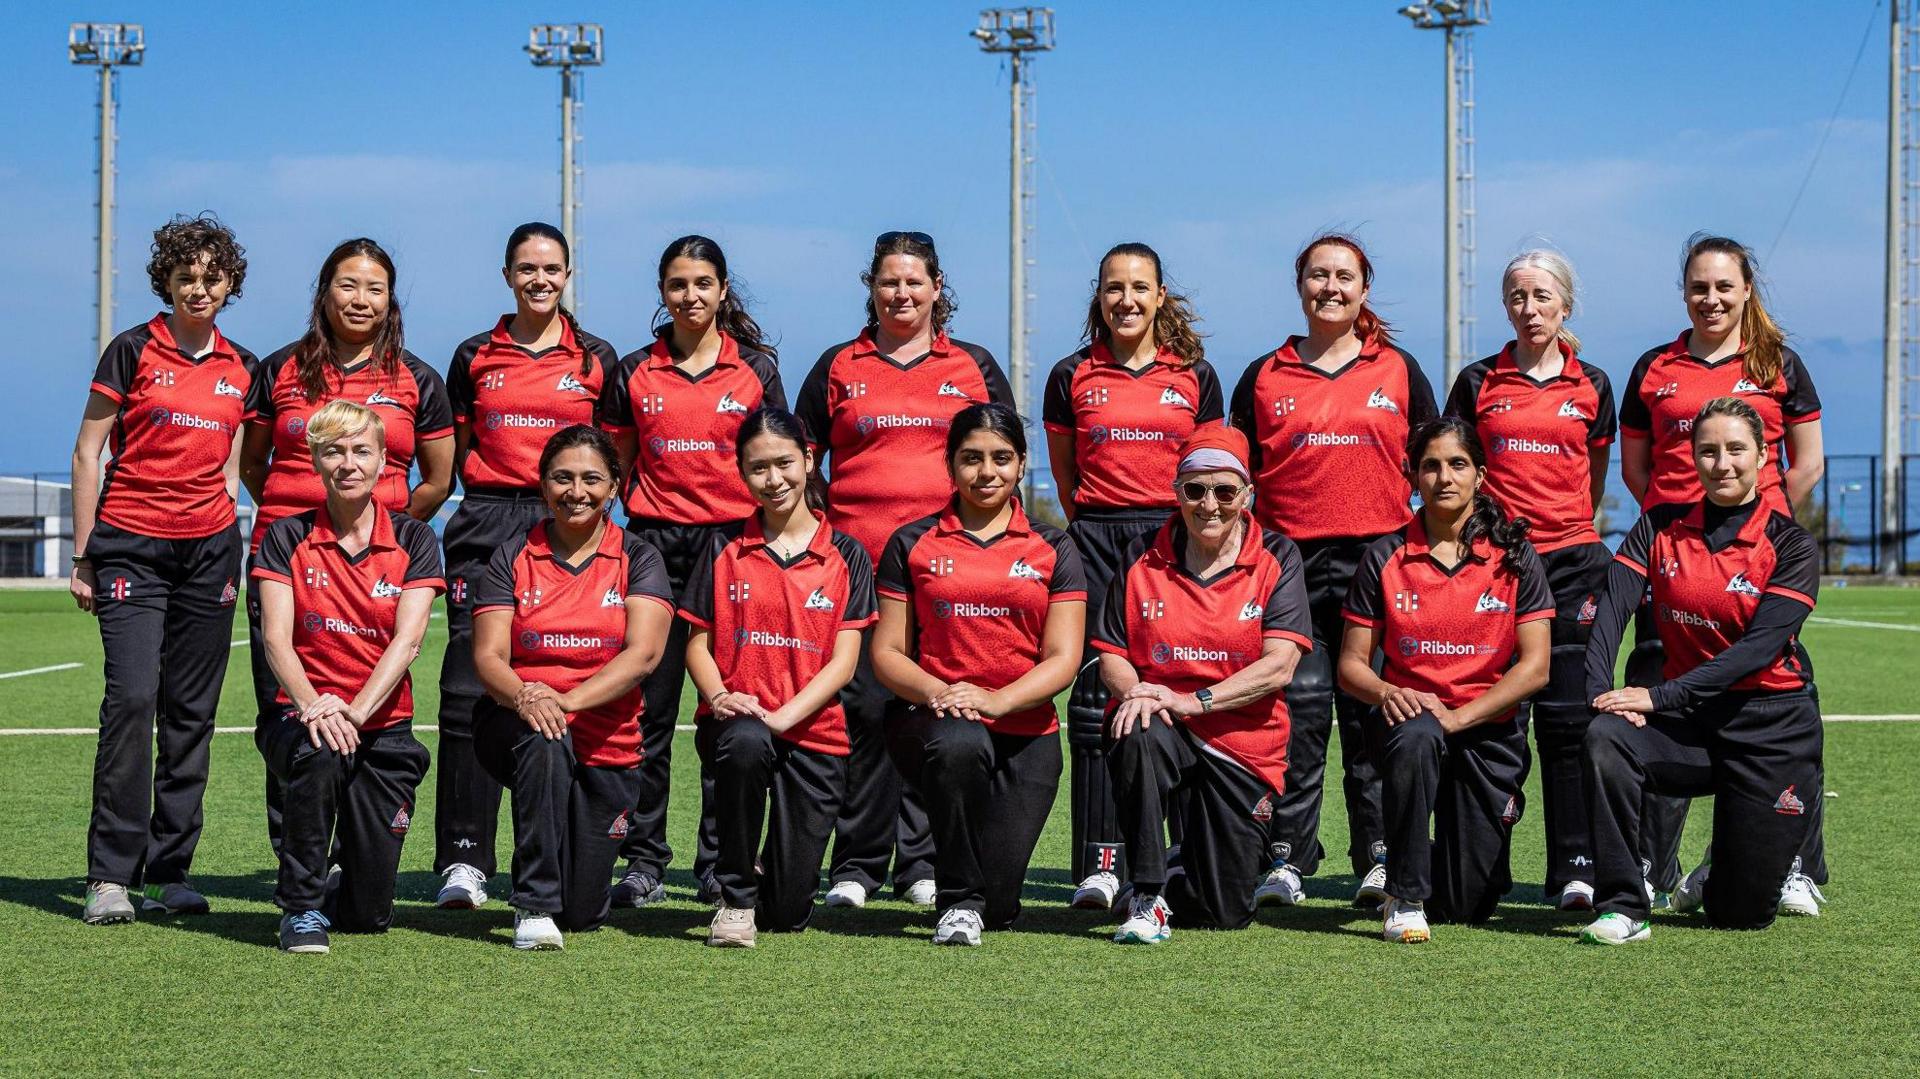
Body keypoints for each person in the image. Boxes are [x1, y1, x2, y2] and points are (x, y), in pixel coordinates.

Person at [796, 231, 1012, 910]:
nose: (902, 293)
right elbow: (802, 457)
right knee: (862, 708)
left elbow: (1001, 452)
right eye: (889, 281)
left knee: (932, 707)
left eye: (914, 282)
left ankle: (921, 860)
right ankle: (858, 863)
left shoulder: (973, 365)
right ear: (871, 287)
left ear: (937, 288)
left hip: (943, 567)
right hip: (858, 565)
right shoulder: (839, 365)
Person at [1617, 234, 1826, 913]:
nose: (1711, 298)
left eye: (1723, 287)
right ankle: (1652, 862)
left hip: (1755, 563)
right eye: (1699, 287)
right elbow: (1637, 469)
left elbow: (1807, 461)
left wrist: (1763, 528)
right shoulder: (1654, 367)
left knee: (1783, 698)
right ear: (1684, 292)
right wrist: (1679, 530)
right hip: (1675, 559)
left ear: (1745, 291)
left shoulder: (1778, 363)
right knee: (1656, 691)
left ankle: (1796, 860)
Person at [1229, 233, 1437, 909]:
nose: (1331, 287)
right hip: (1287, 562)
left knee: (1372, 708)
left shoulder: (1400, 370)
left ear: (1364, 289)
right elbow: (1233, 475)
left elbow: (1437, 468)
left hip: (1377, 563)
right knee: (1298, 706)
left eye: (1344, 276)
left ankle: (1377, 857)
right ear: (1300, 287)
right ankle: (1287, 857)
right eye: (1318, 276)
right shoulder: (1264, 374)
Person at [70, 214, 258, 924]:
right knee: (131, 701)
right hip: (131, 549)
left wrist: (228, 528)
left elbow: (233, 466)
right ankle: (111, 876)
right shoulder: (129, 351)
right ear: (167, 281)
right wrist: (85, 553)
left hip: (210, 552)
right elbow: (88, 451)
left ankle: (172, 870)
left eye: (212, 277)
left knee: (192, 713)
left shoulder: (241, 367)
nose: (199, 288)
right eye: (186, 276)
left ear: (229, 282)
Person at [1579, 397, 1823, 944]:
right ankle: (1622, 903)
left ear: (1764, 456)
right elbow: (1612, 608)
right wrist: (1601, 694)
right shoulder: (1658, 525)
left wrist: (1656, 696)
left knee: (1740, 914)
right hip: (1688, 724)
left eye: (1737, 449)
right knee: (1606, 735)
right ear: (1692, 458)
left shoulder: (1791, 544)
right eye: (1708, 451)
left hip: (1770, 726)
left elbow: (1756, 651)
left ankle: (1722, 872)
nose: (1723, 463)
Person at [239, 238, 453, 854]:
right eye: (347, 284)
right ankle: (297, 857)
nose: (360, 299)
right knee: (288, 711)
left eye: (375, 288)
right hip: (290, 567)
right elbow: (255, 463)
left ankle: (349, 853)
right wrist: (306, 521)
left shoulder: (418, 377)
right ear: (324, 291)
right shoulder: (280, 367)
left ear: (390, 301)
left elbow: (439, 479)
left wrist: (380, 528)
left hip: (377, 572)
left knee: (371, 704)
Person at [433, 223, 620, 911]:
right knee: (465, 685)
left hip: (566, 521)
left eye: (552, 268)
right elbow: (456, 443)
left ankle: (565, 842)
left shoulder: (597, 358)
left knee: (564, 672)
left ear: (568, 274)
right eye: (526, 268)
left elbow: (610, 451)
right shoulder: (473, 354)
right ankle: (464, 858)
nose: (540, 279)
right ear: (507, 274)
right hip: (486, 520)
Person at [601, 235, 786, 909]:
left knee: (722, 712)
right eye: (678, 284)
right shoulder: (633, 371)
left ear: (723, 288)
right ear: (663, 291)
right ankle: (644, 857)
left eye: (703, 282)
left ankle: (718, 862)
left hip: (734, 550)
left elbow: (774, 458)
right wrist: (651, 525)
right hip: (652, 549)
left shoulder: (756, 369)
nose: (691, 295)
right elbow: (619, 466)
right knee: (648, 711)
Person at [1043, 242, 1222, 910]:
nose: (1126, 300)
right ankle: (1101, 861)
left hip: (1170, 543)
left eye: (1139, 288)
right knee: (1096, 702)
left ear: (1159, 297)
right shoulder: (1071, 374)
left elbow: (1209, 469)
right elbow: (1065, 475)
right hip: (1094, 537)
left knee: (1172, 689)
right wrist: (1095, 526)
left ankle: (1173, 858)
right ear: (1099, 296)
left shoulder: (1196, 376)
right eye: (1114, 287)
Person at [1444, 249, 1616, 911]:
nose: (1530, 308)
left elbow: (1594, 481)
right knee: (1497, 722)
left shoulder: (1593, 384)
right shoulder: (1477, 380)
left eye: (1542, 296)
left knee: (1570, 720)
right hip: (1496, 565)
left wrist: (1563, 528)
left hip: (1574, 564)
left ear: (1564, 305)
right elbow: (1459, 470)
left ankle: (1574, 864)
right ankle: (1486, 865)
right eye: (1517, 296)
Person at [875, 404, 1085, 945]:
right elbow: (888, 653)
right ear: (950, 465)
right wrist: (941, 693)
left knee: (1001, 904)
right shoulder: (911, 542)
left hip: (1025, 731)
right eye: (971, 459)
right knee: (959, 745)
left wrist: (997, 701)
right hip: (935, 720)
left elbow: (1063, 658)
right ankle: (955, 903)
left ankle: (980, 901)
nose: (986, 472)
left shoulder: (1054, 546)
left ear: (1020, 465)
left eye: (1000, 458)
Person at [1337, 417, 1554, 943]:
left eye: (1457, 464)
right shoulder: (1384, 555)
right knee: (1415, 735)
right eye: (1430, 466)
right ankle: (1404, 893)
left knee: (1466, 903)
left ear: (1480, 474)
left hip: (1484, 729)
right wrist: (1392, 693)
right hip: (1412, 721)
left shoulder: (1515, 555)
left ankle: (1447, 861)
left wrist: (1458, 717)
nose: (1444, 477)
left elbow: (1536, 667)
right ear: (1412, 475)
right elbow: (1350, 665)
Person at [1094, 426, 1312, 943]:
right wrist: (1138, 693)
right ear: (1176, 493)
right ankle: (1147, 892)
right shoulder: (1138, 554)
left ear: (1247, 495)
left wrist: (1194, 701)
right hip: (1163, 719)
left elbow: (1279, 666)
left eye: (1224, 490)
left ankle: (1176, 866)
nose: (1208, 504)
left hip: (1241, 743)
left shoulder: (1277, 557)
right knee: (1137, 730)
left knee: (1225, 910)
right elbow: (1111, 655)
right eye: (1195, 489)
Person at [250, 401, 443, 954]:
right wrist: (317, 707)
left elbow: (408, 641)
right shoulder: (286, 537)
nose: (348, 462)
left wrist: (354, 712)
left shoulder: (414, 539)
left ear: (385, 460)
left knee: (369, 914)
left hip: (380, 725)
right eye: (333, 451)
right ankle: (302, 907)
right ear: (314, 460)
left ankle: (342, 886)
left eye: (361, 450)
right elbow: (276, 641)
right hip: (302, 716)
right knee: (321, 750)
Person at [470, 425, 674, 950]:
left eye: (591, 479)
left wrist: (570, 700)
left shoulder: (640, 557)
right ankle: (533, 903)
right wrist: (527, 697)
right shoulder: (511, 555)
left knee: (583, 911)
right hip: (522, 723)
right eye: (562, 478)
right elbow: (488, 656)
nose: (575, 491)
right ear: (542, 486)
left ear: (613, 487)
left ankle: (562, 892)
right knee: (545, 737)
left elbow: (645, 653)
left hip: (608, 740)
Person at [679, 408, 875, 948]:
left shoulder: (848, 554)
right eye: (758, 468)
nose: (774, 480)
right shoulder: (721, 547)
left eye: (785, 463)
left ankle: (769, 885)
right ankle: (735, 895)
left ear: (809, 460)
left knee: (788, 912)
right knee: (744, 742)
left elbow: (844, 660)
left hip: (815, 732)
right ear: (742, 474)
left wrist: (786, 716)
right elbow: (696, 640)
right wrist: (718, 696)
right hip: (739, 721)